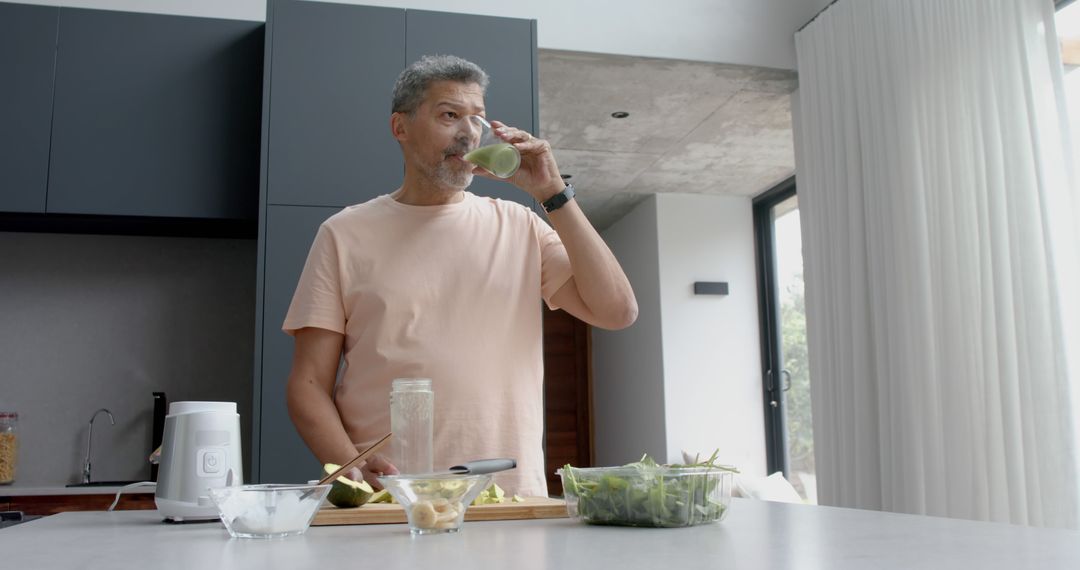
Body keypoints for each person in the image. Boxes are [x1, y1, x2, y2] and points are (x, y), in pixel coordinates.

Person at [283, 55, 637, 497]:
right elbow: (308, 383)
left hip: (508, 497)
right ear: (401, 127)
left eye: (478, 119)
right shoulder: (343, 234)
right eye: (450, 115)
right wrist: (353, 472)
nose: (469, 132)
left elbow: (617, 311)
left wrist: (552, 193)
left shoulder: (521, 225)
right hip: (394, 497)